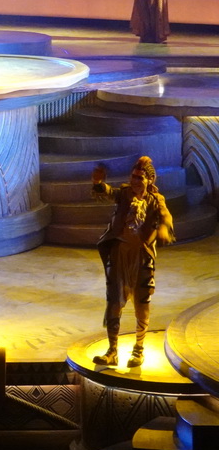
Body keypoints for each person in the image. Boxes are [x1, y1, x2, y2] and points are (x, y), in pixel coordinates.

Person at [90, 157, 174, 368]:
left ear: (150, 180)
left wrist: (164, 228)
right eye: (133, 176)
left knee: (141, 303)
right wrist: (99, 183)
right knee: (114, 302)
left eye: (140, 178)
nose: (135, 181)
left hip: (142, 257)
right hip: (119, 254)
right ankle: (112, 350)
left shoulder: (156, 200)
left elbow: (165, 217)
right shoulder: (125, 193)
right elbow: (108, 193)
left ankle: (138, 350)